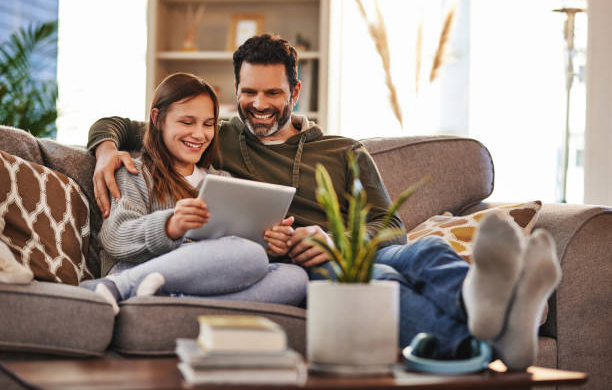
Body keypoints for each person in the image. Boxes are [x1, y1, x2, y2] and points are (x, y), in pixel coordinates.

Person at [87, 34, 561, 370]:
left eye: (273, 92)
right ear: (236, 93)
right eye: (248, 92)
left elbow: (389, 223)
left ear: (295, 91)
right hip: (307, 262)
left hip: (354, 246)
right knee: (382, 284)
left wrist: (336, 238)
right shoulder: (217, 136)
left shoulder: (342, 150)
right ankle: (498, 340)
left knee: (423, 252)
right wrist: (106, 149)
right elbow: (128, 125)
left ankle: (491, 310)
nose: (259, 104)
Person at [81, 72, 308, 315]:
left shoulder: (223, 182)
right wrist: (170, 225)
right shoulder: (136, 172)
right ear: (157, 119)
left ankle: (175, 300)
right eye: (187, 123)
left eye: (208, 124)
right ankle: (118, 286)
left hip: (207, 282)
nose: (199, 135)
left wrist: (270, 245)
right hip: (141, 268)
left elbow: (231, 258)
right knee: (249, 254)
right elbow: (115, 236)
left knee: (295, 278)